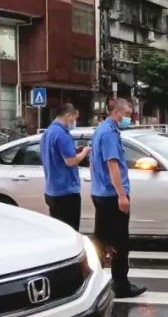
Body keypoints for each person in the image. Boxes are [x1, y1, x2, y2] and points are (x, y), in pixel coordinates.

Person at [90, 98, 146, 298]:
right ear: (117, 113)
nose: (129, 119)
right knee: (120, 241)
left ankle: (94, 280)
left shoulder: (101, 130)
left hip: (100, 192)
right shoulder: (109, 134)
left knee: (102, 239)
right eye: (128, 115)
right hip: (111, 195)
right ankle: (121, 284)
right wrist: (122, 195)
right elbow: (112, 165)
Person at [40, 104, 89, 232]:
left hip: (52, 190)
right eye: (73, 119)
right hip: (66, 191)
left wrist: (74, 152)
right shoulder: (62, 134)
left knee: (58, 232)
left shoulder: (47, 133)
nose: (74, 123)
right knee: (70, 232)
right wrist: (84, 152)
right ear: (68, 116)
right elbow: (71, 161)